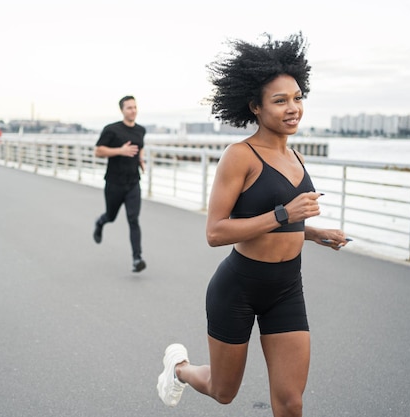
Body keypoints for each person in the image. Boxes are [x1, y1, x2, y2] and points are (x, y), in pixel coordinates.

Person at [156, 33, 350, 416]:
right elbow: (216, 232)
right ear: (255, 107)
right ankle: (179, 369)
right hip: (238, 288)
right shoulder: (239, 156)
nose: (292, 108)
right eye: (280, 101)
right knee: (222, 390)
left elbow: (281, 223)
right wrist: (285, 214)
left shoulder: (295, 154)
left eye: (297, 98)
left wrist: (313, 233)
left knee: (291, 402)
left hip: (287, 288)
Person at [93, 95, 147, 272]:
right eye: (129, 108)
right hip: (114, 183)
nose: (133, 110)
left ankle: (136, 258)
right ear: (122, 110)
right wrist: (120, 151)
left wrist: (141, 160)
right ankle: (100, 223)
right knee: (111, 216)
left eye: (134, 107)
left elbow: (140, 147)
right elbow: (98, 151)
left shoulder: (141, 130)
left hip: (133, 182)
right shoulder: (111, 130)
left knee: (133, 219)